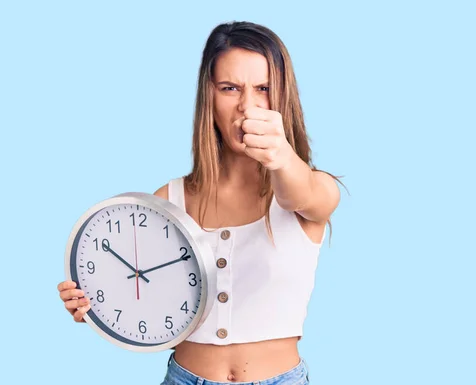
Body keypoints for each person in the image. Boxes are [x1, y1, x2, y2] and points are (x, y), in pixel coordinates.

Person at [56, 21, 341, 385]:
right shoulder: (168, 201)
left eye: (264, 89)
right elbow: (141, 293)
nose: (247, 105)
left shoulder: (316, 189)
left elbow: (299, 195)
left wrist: (281, 157)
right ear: (210, 96)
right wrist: (92, 301)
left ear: (282, 96)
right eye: (229, 88)